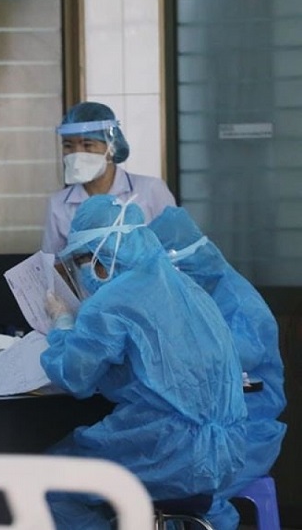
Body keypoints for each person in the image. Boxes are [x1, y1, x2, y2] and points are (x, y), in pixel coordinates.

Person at [41, 195, 246, 530]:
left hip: (166, 451)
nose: (81, 272)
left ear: (100, 255)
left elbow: (73, 376)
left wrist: (62, 325)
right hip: (224, 454)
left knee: (46, 482)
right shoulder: (187, 287)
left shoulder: (112, 301)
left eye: (80, 261)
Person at [149, 206, 287, 530]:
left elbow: (217, 363)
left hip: (246, 433)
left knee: (182, 486)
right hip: (207, 429)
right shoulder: (197, 298)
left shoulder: (242, 306)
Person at [41, 101, 176, 254]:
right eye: (68, 146)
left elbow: (177, 247)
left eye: (87, 145)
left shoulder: (150, 190)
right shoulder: (59, 204)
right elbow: (51, 261)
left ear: (111, 146)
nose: (76, 153)